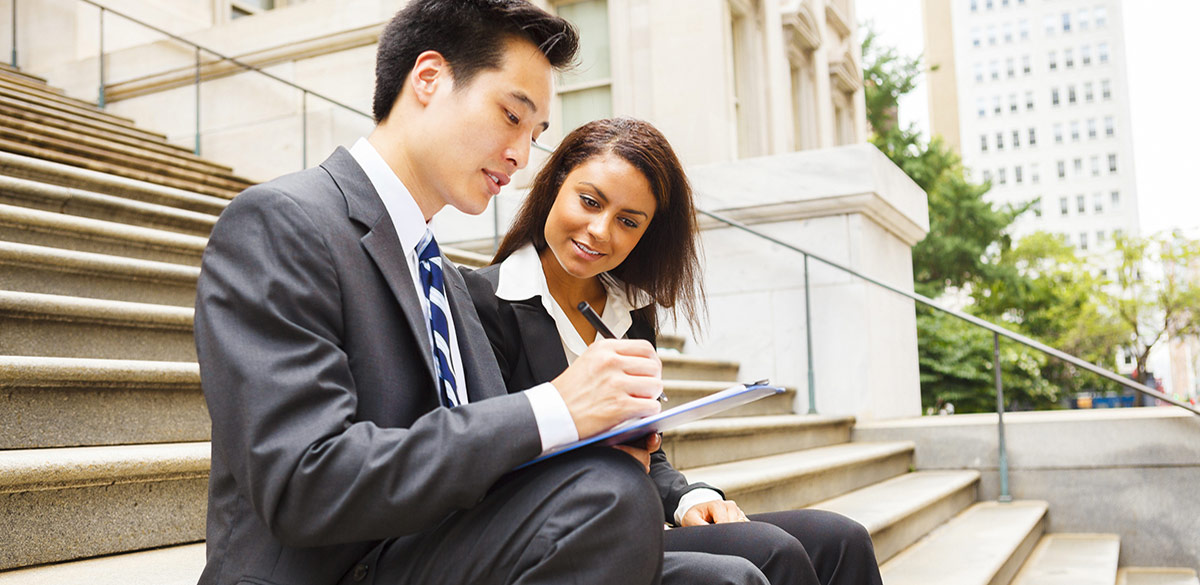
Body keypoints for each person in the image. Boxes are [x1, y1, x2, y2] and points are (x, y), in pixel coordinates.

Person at [193, 2, 768, 584]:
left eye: (535, 133)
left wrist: (598, 439)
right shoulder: (282, 222)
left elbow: (481, 462)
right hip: (333, 568)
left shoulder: (436, 272)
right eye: (511, 116)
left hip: (440, 549)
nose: (521, 155)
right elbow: (303, 484)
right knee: (610, 496)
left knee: (744, 571)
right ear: (429, 79)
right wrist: (557, 408)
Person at [464, 117, 885, 585]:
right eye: (589, 201)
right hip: (555, 539)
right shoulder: (483, 302)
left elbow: (647, 450)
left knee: (842, 537)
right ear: (557, 183)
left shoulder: (632, 315)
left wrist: (689, 499)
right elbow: (482, 457)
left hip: (629, 520)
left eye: (628, 221)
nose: (600, 230)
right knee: (773, 552)